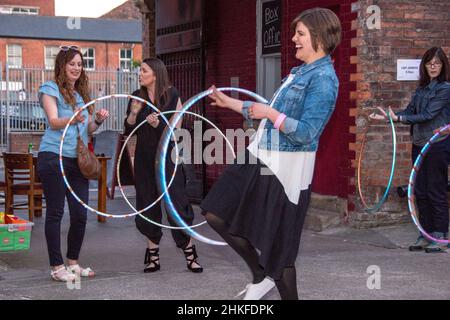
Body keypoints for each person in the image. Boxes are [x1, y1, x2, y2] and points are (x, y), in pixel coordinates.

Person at [201, 8, 341, 300]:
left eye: (300, 34)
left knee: (280, 253)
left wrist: (270, 112)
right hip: (259, 155)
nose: (293, 39)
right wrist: (229, 103)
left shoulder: (325, 79)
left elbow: (305, 133)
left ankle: (271, 278)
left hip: (286, 170)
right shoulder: (299, 72)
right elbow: (267, 114)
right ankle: (258, 274)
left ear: (319, 37)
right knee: (215, 213)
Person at [37, 45, 109, 281]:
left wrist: (96, 121)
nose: (77, 68)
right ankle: (57, 267)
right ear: (62, 65)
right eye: (72, 64)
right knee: (56, 212)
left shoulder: (81, 96)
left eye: (80, 64)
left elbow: (86, 130)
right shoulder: (49, 89)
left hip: (76, 160)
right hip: (53, 156)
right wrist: (72, 118)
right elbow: (54, 121)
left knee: (80, 214)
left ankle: (73, 263)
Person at [124, 57, 203, 273]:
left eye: (144, 70)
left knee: (175, 202)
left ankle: (190, 254)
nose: (140, 74)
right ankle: (153, 258)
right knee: (148, 202)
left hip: (167, 158)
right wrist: (133, 113)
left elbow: (176, 129)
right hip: (144, 158)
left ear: (156, 73)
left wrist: (159, 124)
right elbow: (128, 129)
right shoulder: (136, 96)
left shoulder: (172, 94)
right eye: (140, 70)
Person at [370, 47, 450, 253]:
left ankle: (440, 236)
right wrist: (389, 117)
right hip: (419, 143)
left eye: (437, 63)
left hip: (437, 145)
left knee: (435, 189)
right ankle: (425, 233)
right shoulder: (421, 90)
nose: (433, 66)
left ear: (443, 66)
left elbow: (427, 115)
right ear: (424, 65)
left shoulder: (445, 89)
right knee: (420, 191)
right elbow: (410, 112)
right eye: (429, 62)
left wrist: (399, 118)